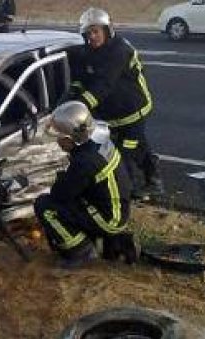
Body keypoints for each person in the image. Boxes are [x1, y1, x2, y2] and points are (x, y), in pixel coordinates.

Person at [68, 7, 164, 201]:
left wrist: (78, 107)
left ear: (107, 30)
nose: (93, 36)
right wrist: (72, 93)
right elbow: (81, 78)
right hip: (112, 113)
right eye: (88, 33)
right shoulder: (87, 51)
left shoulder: (119, 50)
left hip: (132, 109)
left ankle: (125, 194)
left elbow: (104, 84)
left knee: (125, 152)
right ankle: (153, 179)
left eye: (96, 31)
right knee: (139, 145)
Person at [34, 101, 138, 268]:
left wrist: (61, 178)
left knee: (45, 207)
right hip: (116, 209)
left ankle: (80, 250)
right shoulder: (99, 139)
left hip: (109, 219)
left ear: (70, 139)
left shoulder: (85, 161)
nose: (57, 142)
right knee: (73, 203)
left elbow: (59, 195)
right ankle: (114, 241)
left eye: (59, 138)